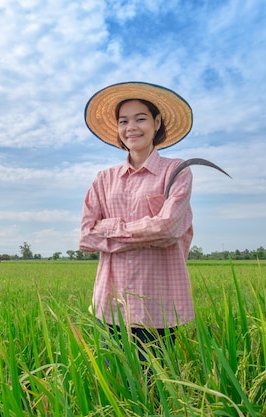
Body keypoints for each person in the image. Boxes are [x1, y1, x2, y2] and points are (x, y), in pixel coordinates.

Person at [79, 81, 196, 362]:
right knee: (115, 384)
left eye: (140, 119)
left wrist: (109, 228)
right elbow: (86, 237)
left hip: (158, 304)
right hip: (111, 303)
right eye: (124, 121)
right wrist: (146, 232)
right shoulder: (103, 179)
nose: (131, 127)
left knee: (155, 389)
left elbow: (167, 229)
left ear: (156, 122)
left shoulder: (176, 171)